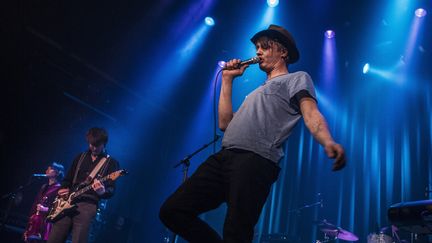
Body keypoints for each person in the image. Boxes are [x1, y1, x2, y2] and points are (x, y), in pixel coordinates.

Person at [159, 24, 346, 243]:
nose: (257, 52)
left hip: (256, 160)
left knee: (237, 231)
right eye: (257, 47)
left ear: (283, 52)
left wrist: (327, 140)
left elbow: (311, 114)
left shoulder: (296, 78)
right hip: (224, 157)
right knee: (172, 210)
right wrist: (227, 80)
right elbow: (225, 123)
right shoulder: (254, 93)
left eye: (264, 47)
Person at [47, 127, 119, 243]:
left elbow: (111, 189)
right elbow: (67, 179)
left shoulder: (111, 163)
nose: (93, 148)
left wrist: (102, 192)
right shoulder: (80, 157)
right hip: (66, 202)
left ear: (104, 143)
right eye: (91, 144)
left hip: (87, 205)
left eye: (97, 145)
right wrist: (63, 188)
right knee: (54, 239)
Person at [24, 162, 64, 242]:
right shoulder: (44, 187)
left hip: (46, 223)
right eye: (48, 168)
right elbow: (35, 204)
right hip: (35, 222)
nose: (47, 170)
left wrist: (46, 209)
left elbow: (60, 207)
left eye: (51, 168)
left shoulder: (59, 189)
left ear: (57, 172)